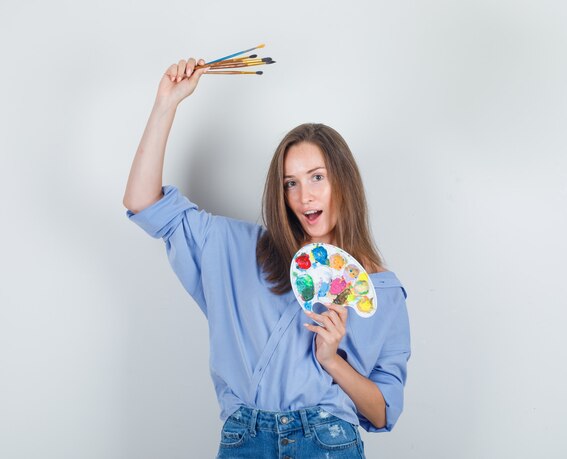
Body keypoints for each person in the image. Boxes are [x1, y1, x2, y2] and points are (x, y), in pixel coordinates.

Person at [123, 57, 411, 459]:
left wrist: (332, 359)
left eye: (317, 177)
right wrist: (165, 105)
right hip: (245, 439)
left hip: (327, 441)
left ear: (343, 180)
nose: (303, 196)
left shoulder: (382, 290)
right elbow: (142, 204)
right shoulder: (240, 250)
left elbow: (381, 413)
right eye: (290, 183)